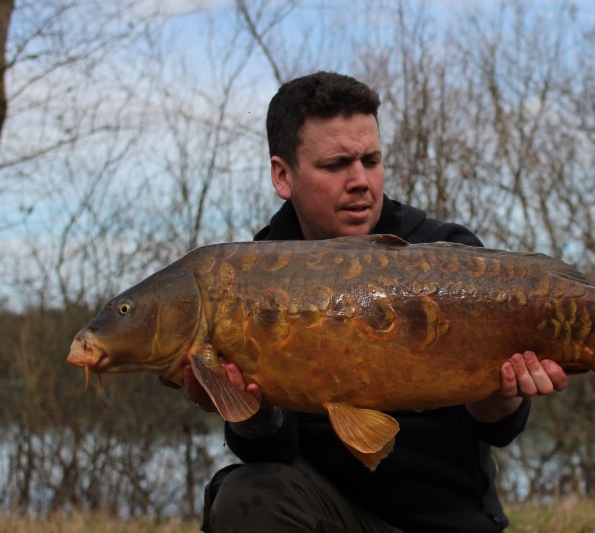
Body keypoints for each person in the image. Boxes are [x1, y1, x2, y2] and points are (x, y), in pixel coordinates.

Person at [178, 72, 569, 532]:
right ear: (283, 176)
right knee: (245, 496)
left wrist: (502, 391)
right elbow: (271, 454)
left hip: (447, 521)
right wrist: (247, 409)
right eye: (336, 164)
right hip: (329, 516)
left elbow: (499, 428)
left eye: (372, 159)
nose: (361, 180)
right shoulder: (249, 281)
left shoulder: (443, 251)